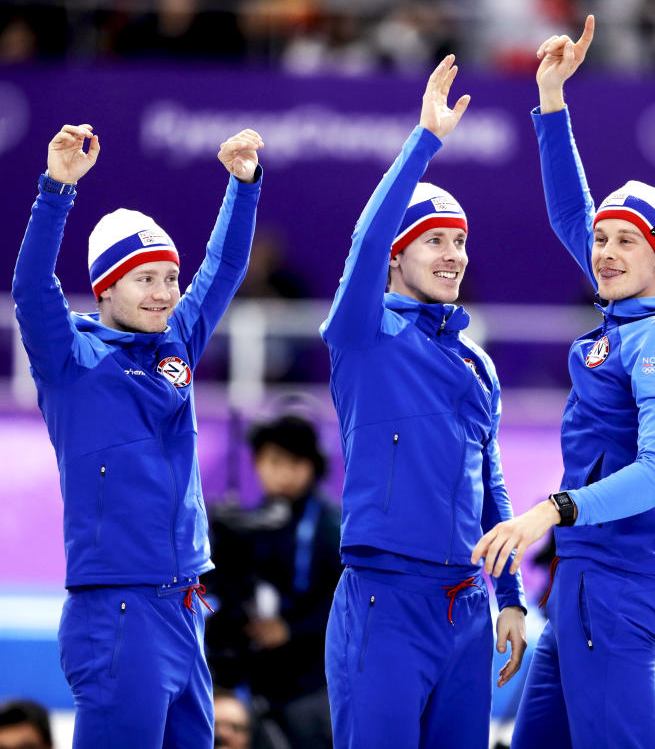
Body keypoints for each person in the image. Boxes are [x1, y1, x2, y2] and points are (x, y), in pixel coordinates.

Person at [473, 16, 655, 749]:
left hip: (618, 583)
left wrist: (549, 513)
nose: (606, 251)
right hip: (585, 580)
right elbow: (568, 212)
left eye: (627, 241)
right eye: (603, 239)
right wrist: (551, 101)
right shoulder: (629, 312)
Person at [12, 122, 263, 747]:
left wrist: (243, 184)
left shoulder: (176, 340)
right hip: (116, 612)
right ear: (105, 286)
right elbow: (30, 289)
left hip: (184, 608)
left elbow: (226, 266)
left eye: (170, 279)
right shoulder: (69, 361)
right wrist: (56, 190)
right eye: (144, 279)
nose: (164, 294)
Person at [319, 55, 527, 749]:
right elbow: (364, 238)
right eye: (434, 240)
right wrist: (424, 142)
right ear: (397, 256)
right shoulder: (363, 335)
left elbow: (490, 485)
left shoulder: (477, 362)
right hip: (384, 601)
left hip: (466, 607)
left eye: (461, 241)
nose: (453, 254)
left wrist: (512, 598)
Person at [206, 414, 342, 748]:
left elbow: (344, 603)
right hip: (257, 679)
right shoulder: (247, 524)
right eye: (274, 461)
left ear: (313, 465)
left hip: (314, 683)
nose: (283, 473)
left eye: (295, 462)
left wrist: (290, 629)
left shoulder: (332, 526)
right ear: (257, 463)